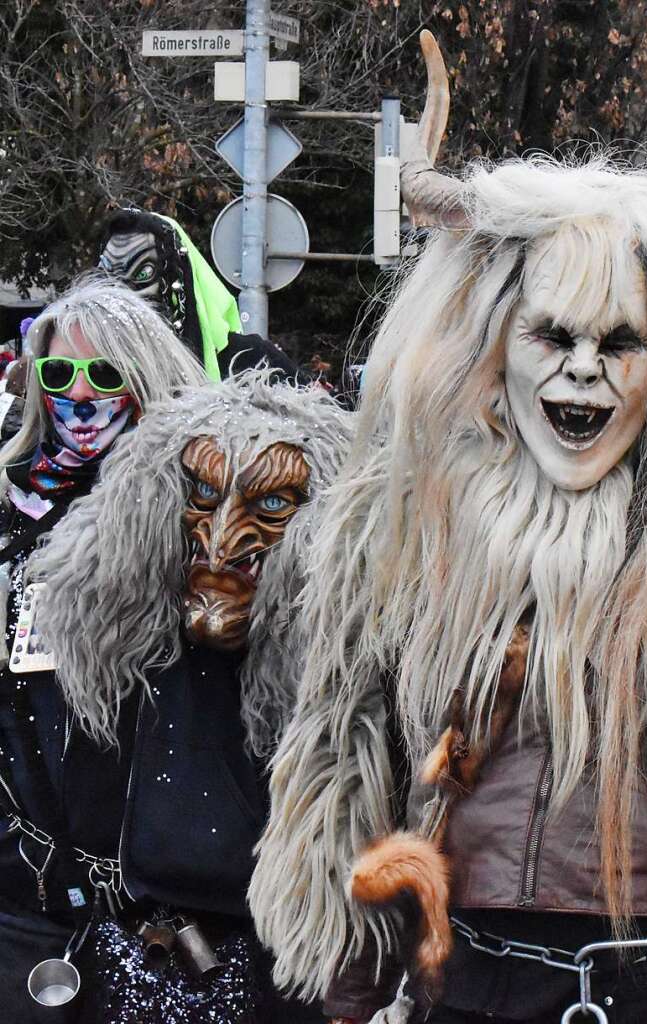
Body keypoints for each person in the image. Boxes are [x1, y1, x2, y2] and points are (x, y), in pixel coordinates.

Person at [249, 31, 647, 1024]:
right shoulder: (410, 532)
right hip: (471, 980)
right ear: (499, 343)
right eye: (552, 336)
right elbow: (359, 769)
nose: (582, 370)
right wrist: (347, 999)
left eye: (617, 342)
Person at [25, 368, 352, 1022]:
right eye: (202, 494)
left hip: (283, 951)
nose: (224, 538)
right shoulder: (111, 622)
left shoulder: (343, 655)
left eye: (269, 506)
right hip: (129, 939)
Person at [0, 275, 207, 1021]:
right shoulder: (10, 510)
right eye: (59, 373)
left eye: (105, 372)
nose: (81, 395)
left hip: (173, 895)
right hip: (27, 894)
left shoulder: (206, 512)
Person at [99, 207, 311, 383]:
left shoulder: (249, 360)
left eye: (143, 273)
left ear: (180, 280)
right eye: (107, 276)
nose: (120, 293)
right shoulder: (84, 368)